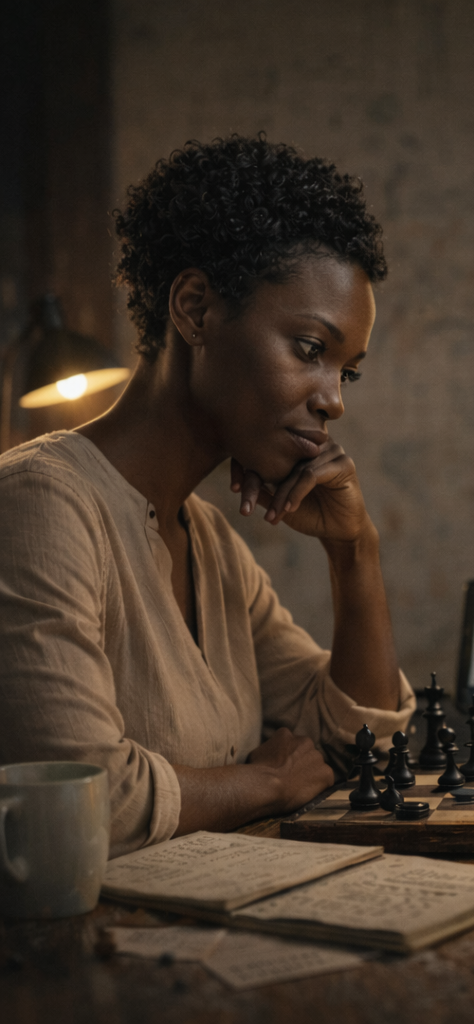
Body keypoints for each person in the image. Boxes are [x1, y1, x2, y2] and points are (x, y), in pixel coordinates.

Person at [0, 136, 415, 857]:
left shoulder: (213, 544)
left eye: (346, 373)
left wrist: (355, 553)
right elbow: (84, 796)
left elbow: (354, 747)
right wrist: (264, 784)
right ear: (194, 309)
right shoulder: (40, 506)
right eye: (311, 350)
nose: (332, 402)